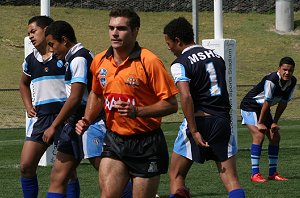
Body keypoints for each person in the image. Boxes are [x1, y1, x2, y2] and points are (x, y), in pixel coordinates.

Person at [75, 8, 178, 198]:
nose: (114, 33)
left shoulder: (150, 61)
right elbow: (97, 95)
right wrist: (87, 119)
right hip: (115, 139)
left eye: (121, 28)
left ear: (135, 31)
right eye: (111, 28)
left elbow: (171, 104)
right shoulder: (99, 60)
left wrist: (138, 111)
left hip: (146, 142)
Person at [163, 17, 245, 198]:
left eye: (169, 43)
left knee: (176, 175)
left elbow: (185, 96)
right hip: (222, 120)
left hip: (199, 120)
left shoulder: (180, 63)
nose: (169, 48)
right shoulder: (217, 57)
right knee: (231, 179)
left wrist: (194, 131)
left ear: (178, 41)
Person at [42, 20, 94, 198]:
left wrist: (54, 125)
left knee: (108, 174)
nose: (51, 50)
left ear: (64, 40)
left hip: (87, 121)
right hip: (77, 121)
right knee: (59, 176)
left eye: (52, 44)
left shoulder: (79, 58)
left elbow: (76, 98)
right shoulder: (76, 57)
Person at [19, 15, 68, 198]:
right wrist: (28, 105)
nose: (31, 36)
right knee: (25, 166)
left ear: (47, 30)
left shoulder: (63, 54)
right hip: (42, 118)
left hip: (64, 117)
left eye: (34, 31)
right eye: (29, 33)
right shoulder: (30, 60)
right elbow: (23, 83)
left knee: (67, 173)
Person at [240, 56, 297, 182]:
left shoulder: (292, 81)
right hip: (250, 106)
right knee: (259, 135)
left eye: (290, 70)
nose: (287, 73)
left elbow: (283, 103)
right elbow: (266, 102)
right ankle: (255, 174)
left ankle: (272, 173)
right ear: (279, 69)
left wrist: (274, 122)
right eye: (285, 69)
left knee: (274, 136)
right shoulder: (272, 79)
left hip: (263, 109)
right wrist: (260, 123)